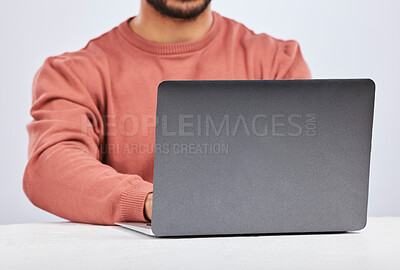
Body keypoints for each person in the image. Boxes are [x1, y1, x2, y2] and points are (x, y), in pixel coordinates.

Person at [23, 0, 311, 225]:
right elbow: (50, 167)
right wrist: (150, 202)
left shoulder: (277, 62)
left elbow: (309, 174)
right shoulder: (73, 73)